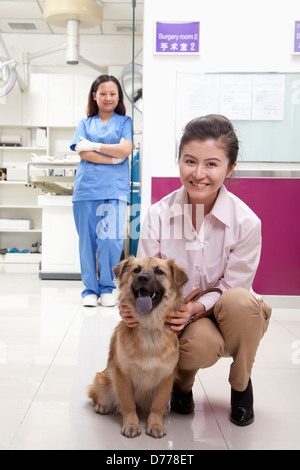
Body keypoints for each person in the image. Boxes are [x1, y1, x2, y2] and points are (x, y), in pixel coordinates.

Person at [119, 114, 272, 426]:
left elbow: (233, 286)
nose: (199, 173)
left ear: (230, 169)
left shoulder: (246, 222)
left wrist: (196, 307)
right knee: (197, 346)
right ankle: (182, 384)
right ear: (179, 161)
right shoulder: (159, 215)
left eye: (212, 164)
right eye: (190, 161)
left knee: (241, 301)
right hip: (179, 315)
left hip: (228, 310)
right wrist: (132, 307)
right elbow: (145, 277)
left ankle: (241, 385)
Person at [70, 75, 132, 307]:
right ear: (94, 96)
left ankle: (107, 286)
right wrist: (112, 158)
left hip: (115, 190)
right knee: (87, 241)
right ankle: (90, 290)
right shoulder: (85, 124)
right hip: (86, 189)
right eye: (103, 93)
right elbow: (82, 153)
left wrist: (94, 145)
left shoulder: (125, 121)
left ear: (118, 96)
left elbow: (125, 149)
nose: (108, 98)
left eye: (113, 93)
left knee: (112, 240)